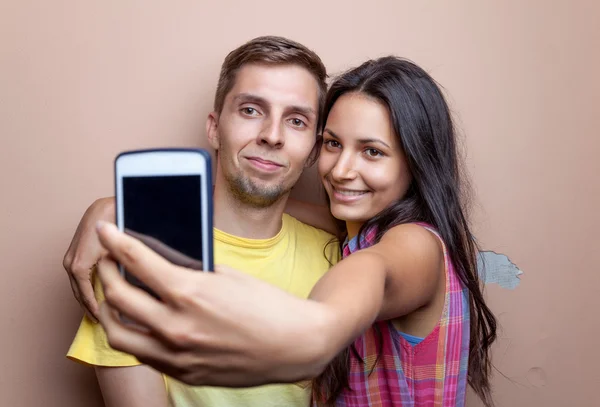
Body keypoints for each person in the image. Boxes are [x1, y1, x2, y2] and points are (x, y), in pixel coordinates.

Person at [94, 56, 498, 406]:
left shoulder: (416, 244)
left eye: (373, 151)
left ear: (417, 163)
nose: (341, 171)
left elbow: (374, 273)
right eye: (333, 143)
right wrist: (113, 209)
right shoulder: (353, 231)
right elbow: (286, 210)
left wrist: (317, 330)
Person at [63, 35, 341, 407]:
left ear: (312, 151)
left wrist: (116, 205)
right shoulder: (137, 256)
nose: (272, 136)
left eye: (296, 120)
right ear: (214, 128)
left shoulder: (338, 257)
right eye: (251, 110)